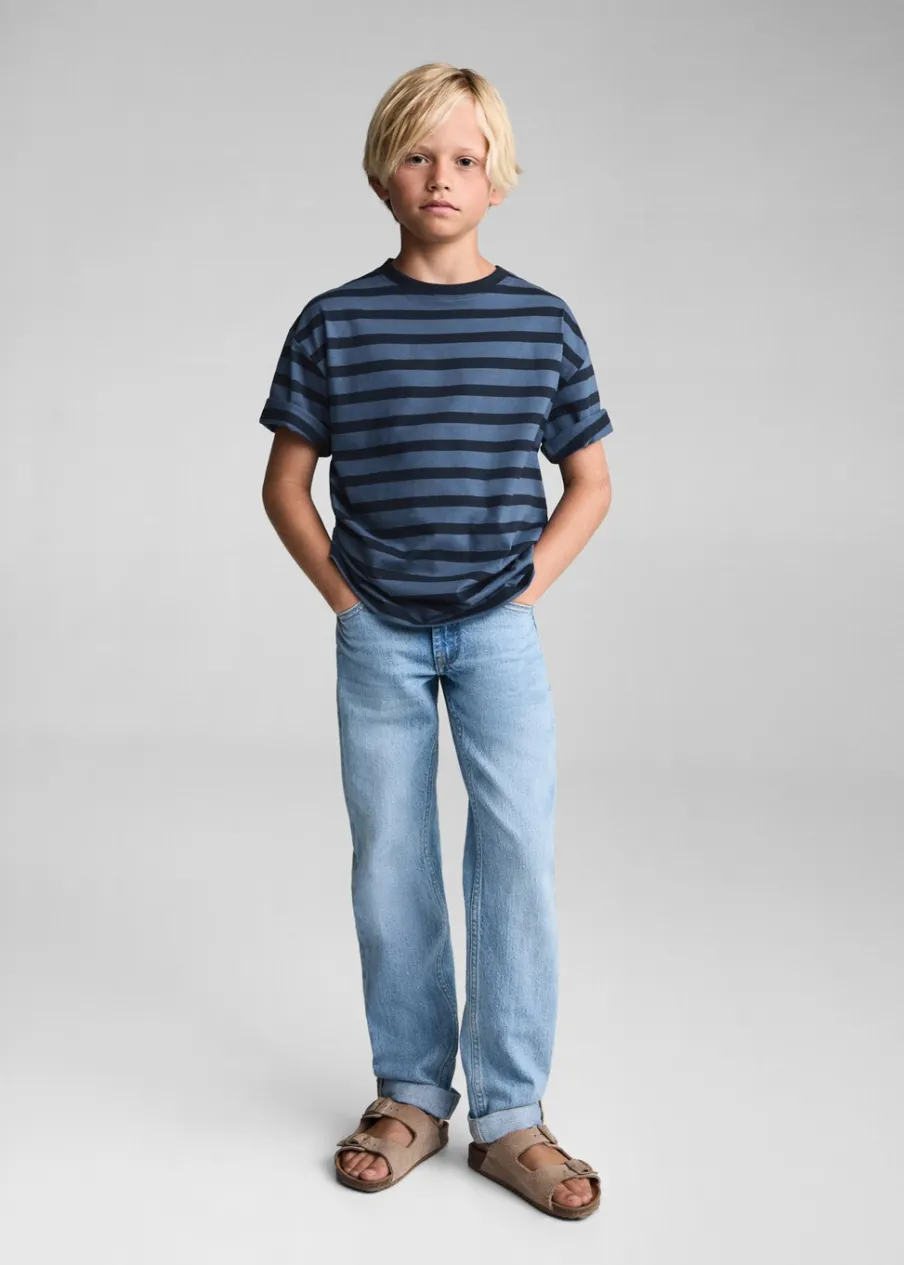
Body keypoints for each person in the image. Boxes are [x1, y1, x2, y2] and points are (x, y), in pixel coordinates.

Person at [259, 63, 612, 1220]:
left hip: (496, 635)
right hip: (380, 637)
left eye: (465, 158)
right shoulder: (335, 320)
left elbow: (590, 481)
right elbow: (285, 483)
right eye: (417, 155)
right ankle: (410, 1093)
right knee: (391, 858)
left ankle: (510, 1115)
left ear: (498, 180)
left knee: (513, 853)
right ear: (382, 176)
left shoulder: (541, 320)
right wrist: (344, 599)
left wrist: (522, 591)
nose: (441, 177)